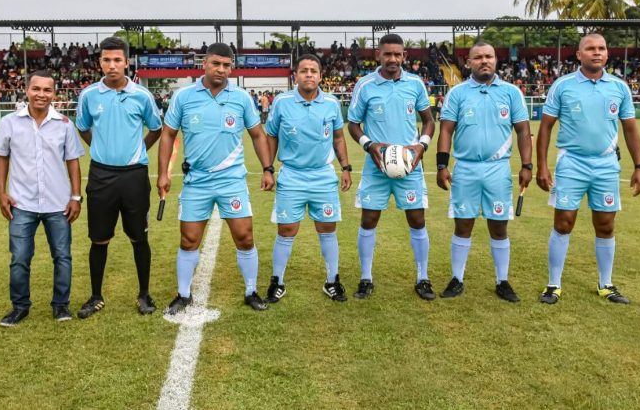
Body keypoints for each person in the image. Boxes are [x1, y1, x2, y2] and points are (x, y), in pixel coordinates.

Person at [158, 43, 275, 314]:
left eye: (226, 65)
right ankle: (183, 294)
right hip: (196, 181)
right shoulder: (184, 97)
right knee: (189, 240)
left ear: (231, 67)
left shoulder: (242, 98)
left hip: (231, 180)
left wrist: (268, 168)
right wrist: (164, 172)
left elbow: (257, 134)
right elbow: (168, 134)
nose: (221, 69)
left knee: (245, 237)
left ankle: (251, 291)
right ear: (205, 64)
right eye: (216, 64)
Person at [536, 33, 640, 305]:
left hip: (606, 165)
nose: (597, 52)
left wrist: (639, 167)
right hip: (571, 163)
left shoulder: (619, 88)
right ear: (579, 55)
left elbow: (630, 129)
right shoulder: (562, 86)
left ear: (607, 54)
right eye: (590, 48)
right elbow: (546, 128)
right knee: (563, 222)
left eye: (601, 48)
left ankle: (606, 284)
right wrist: (542, 166)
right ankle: (553, 285)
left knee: (606, 224)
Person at [436, 42, 532, 302]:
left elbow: (523, 130)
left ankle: (502, 281)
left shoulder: (512, 93)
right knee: (463, 224)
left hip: (498, 170)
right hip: (465, 168)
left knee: (499, 227)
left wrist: (527, 165)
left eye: (488, 56)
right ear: (468, 62)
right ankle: (457, 279)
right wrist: (442, 165)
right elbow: (446, 130)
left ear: (496, 60)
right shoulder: (457, 94)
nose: (484, 61)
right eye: (477, 57)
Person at [74, 37, 162, 319]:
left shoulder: (142, 96)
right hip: (101, 175)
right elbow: (84, 128)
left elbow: (156, 129)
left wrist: (137, 151)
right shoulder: (89, 96)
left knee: (139, 237)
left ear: (127, 62)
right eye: (106, 60)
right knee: (99, 239)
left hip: (134, 176)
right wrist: (102, 150)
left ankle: (144, 294)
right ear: (99, 62)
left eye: (117, 60)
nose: (111, 66)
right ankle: (96, 296)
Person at [0, 70, 84, 326]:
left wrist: (75, 197)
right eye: (36, 89)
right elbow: (2, 158)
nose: (41, 94)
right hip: (22, 204)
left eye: (47, 90)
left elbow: (73, 162)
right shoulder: (9, 122)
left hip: (58, 204)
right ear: (27, 90)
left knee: (62, 256)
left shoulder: (65, 124)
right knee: (20, 258)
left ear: (54, 93)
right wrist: (1, 192)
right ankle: (20, 307)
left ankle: (61, 306)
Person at [347, 33, 436, 300]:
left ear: (404, 57)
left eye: (398, 54)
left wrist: (421, 145)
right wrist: (368, 144)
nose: (393, 59)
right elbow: (353, 124)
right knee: (369, 219)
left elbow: (429, 120)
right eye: (388, 54)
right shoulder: (365, 85)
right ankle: (366, 278)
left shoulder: (416, 84)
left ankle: (423, 278)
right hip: (376, 165)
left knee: (417, 220)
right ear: (378, 55)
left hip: (410, 164)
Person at [264, 54, 352, 303]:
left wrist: (345, 167)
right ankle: (277, 281)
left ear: (321, 76)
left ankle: (332, 280)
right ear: (296, 76)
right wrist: (268, 169)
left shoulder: (332, 103)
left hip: (323, 176)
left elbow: (338, 137)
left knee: (327, 228)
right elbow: (271, 136)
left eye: (314, 70)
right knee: (287, 230)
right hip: (291, 175)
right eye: (304, 70)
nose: (309, 74)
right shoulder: (281, 102)